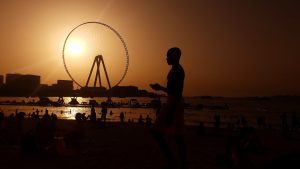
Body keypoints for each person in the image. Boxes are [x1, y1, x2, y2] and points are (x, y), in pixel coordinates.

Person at [150, 47, 188, 169]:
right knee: (178, 136)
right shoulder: (175, 70)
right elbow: (173, 90)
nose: (166, 58)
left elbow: (177, 93)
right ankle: (180, 162)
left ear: (175, 57)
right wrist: (160, 88)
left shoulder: (177, 71)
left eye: (168, 56)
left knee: (158, 132)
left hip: (174, 104)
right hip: (173, 103)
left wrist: (171, 111)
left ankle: (174, 160)